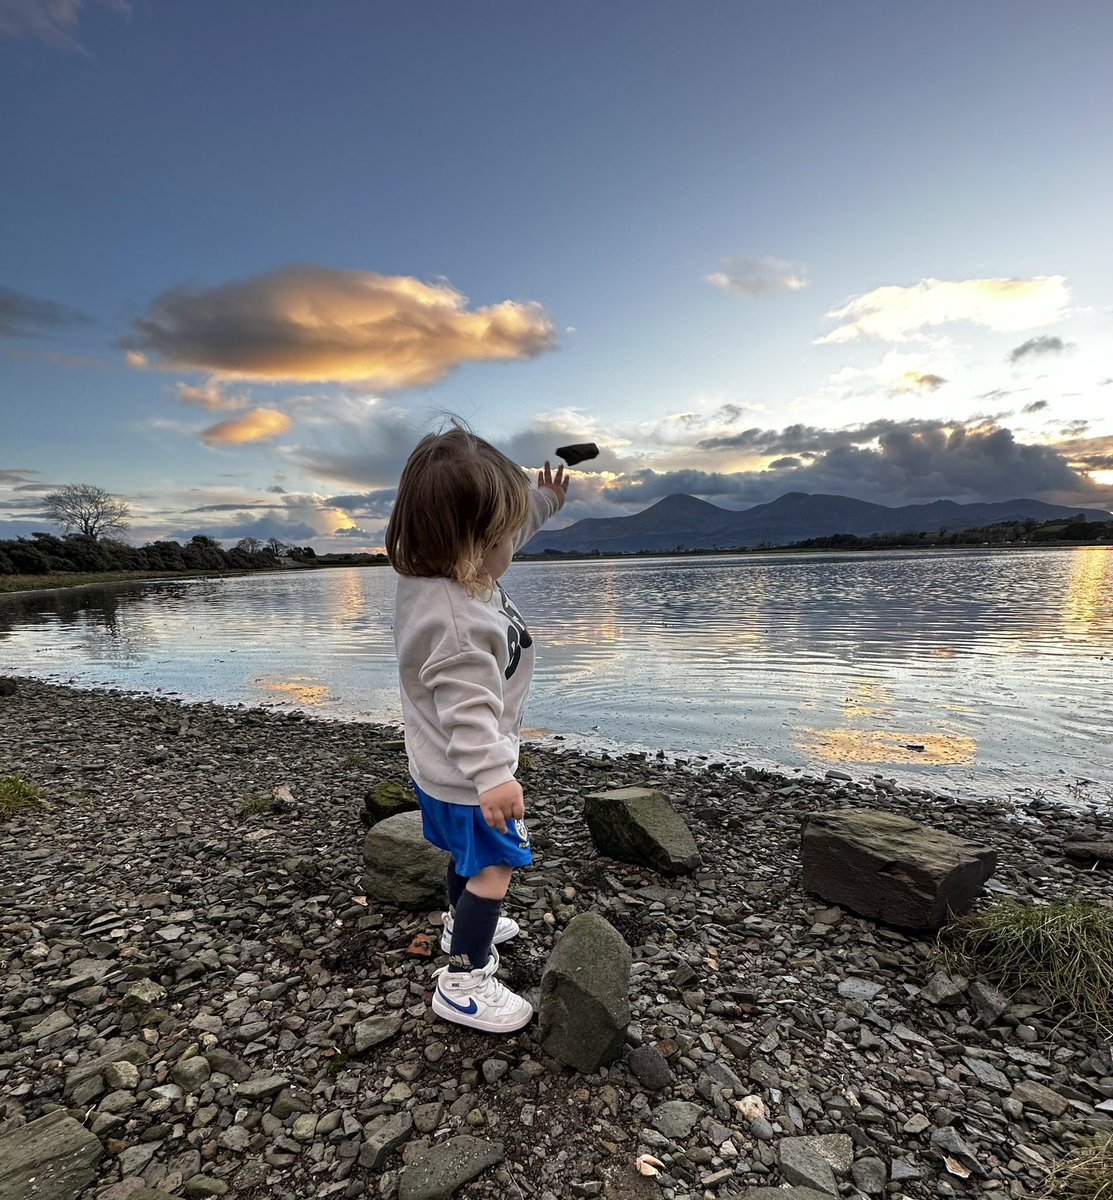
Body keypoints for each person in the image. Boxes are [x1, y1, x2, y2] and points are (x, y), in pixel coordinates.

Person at [385, 425, 568, 1032]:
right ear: (474, 544)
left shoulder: (437, 575)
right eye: (505, 534)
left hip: (435, 766)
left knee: (465, 860)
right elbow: (466, 707)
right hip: (469, 774)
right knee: (494, 869)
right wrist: (494, 776)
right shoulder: (460, 620)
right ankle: (462, 981)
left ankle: (455, 921)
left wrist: (545, 500)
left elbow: (507, 525)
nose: (514, 541)